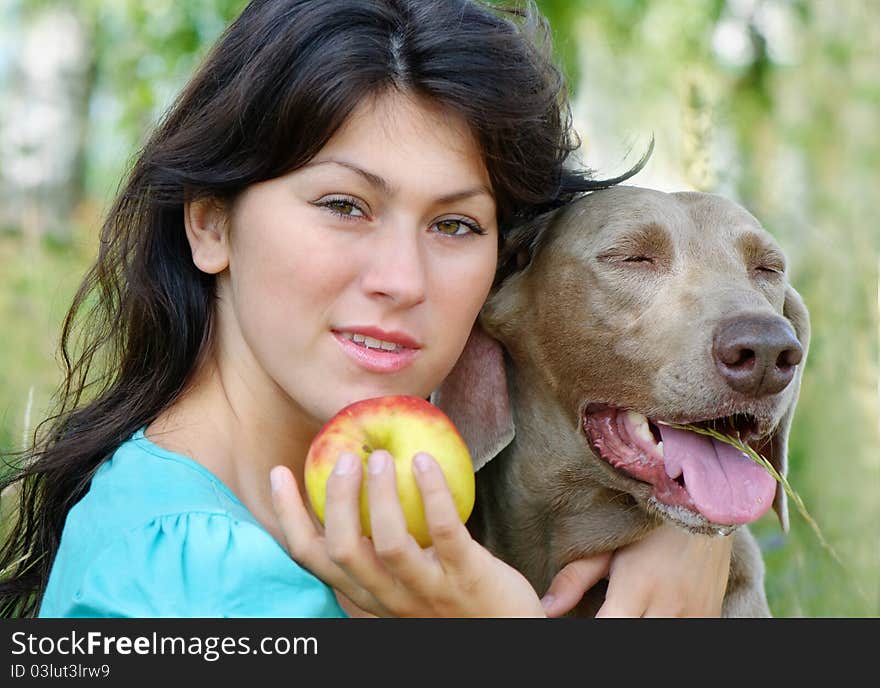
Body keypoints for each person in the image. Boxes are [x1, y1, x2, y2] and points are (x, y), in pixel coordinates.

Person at [0, 0, 732, 619]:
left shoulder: (367, 509)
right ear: (211, 224)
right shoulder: (198, 582)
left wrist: (694, 520)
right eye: (344, 206)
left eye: (455, 225)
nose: (402, 280)